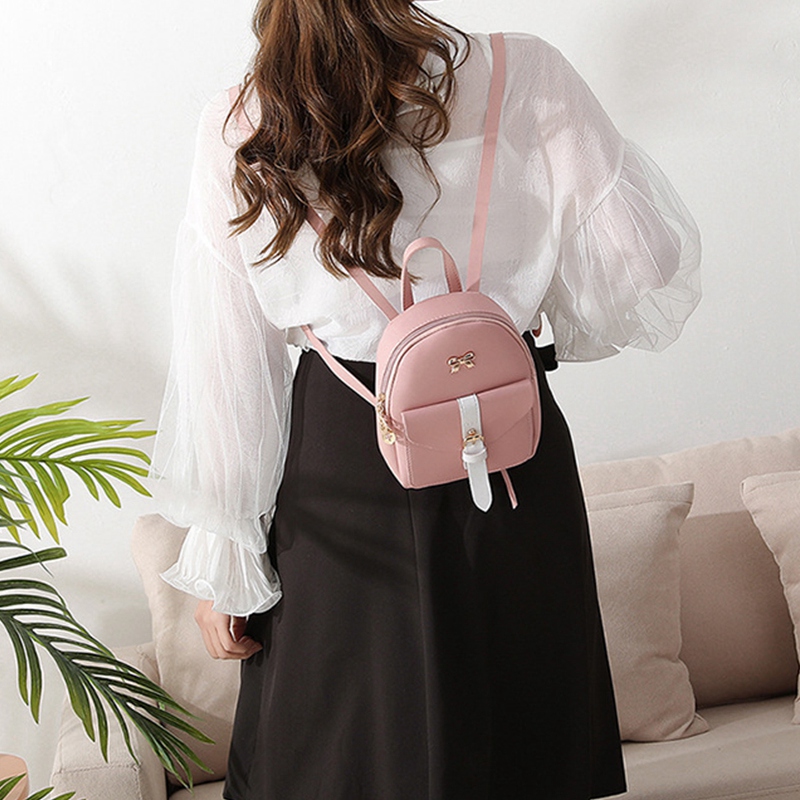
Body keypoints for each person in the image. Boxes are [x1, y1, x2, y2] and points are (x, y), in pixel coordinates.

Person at [150, 1, 701, 798]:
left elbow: (229, 363)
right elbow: (640, 263)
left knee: (342, 752)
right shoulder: (524, 72)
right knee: (523, 747)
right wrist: (503, 285)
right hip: (507, 438)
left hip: (346, 447)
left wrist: (226, 554)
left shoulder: (242, 123)